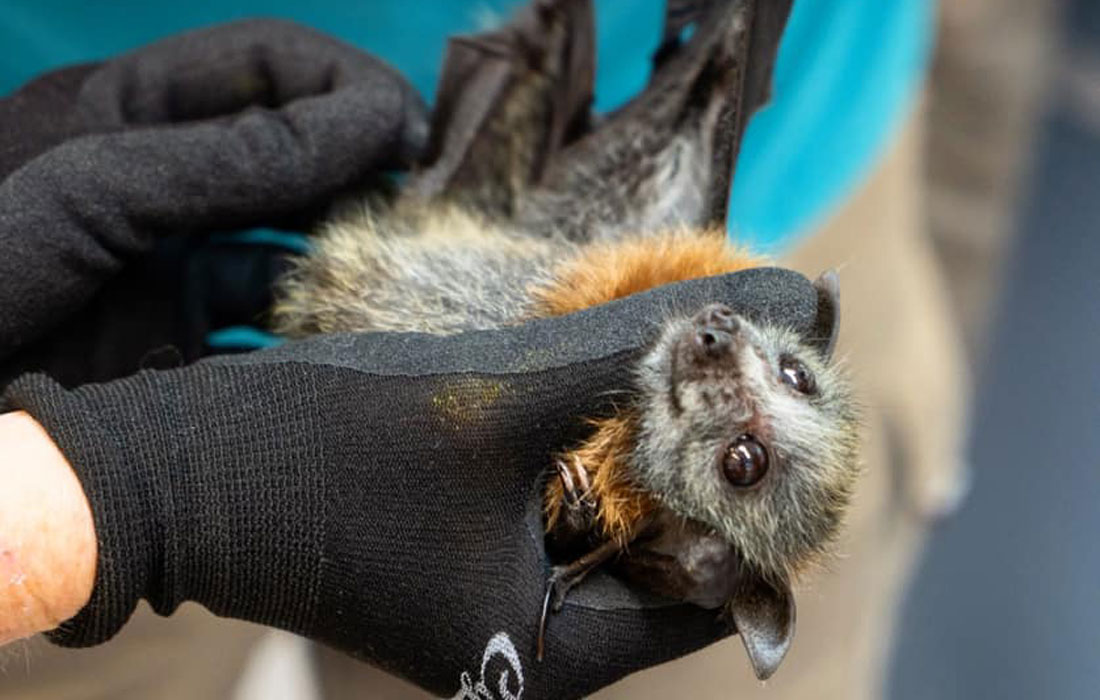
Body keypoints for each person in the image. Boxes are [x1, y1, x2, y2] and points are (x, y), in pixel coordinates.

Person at [0, 19, 832, 699]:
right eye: (792, 376)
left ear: (701, 551)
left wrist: (105, 500)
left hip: (348, 302)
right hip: (453, 220)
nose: (744, 365)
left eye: (746, 456)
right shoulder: (667, 269)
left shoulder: (633, 522)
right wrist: (111, 501)